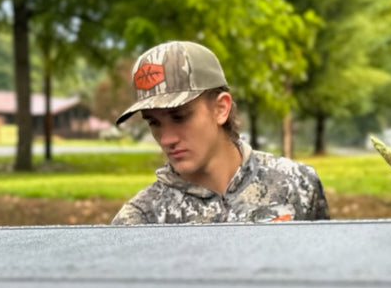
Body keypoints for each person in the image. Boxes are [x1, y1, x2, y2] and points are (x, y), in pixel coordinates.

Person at [111, 41, 329, 225]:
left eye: (180, 117)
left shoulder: (297, 184)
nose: (166, 139)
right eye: (154, 123)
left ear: (221, 108)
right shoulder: (140, 220)